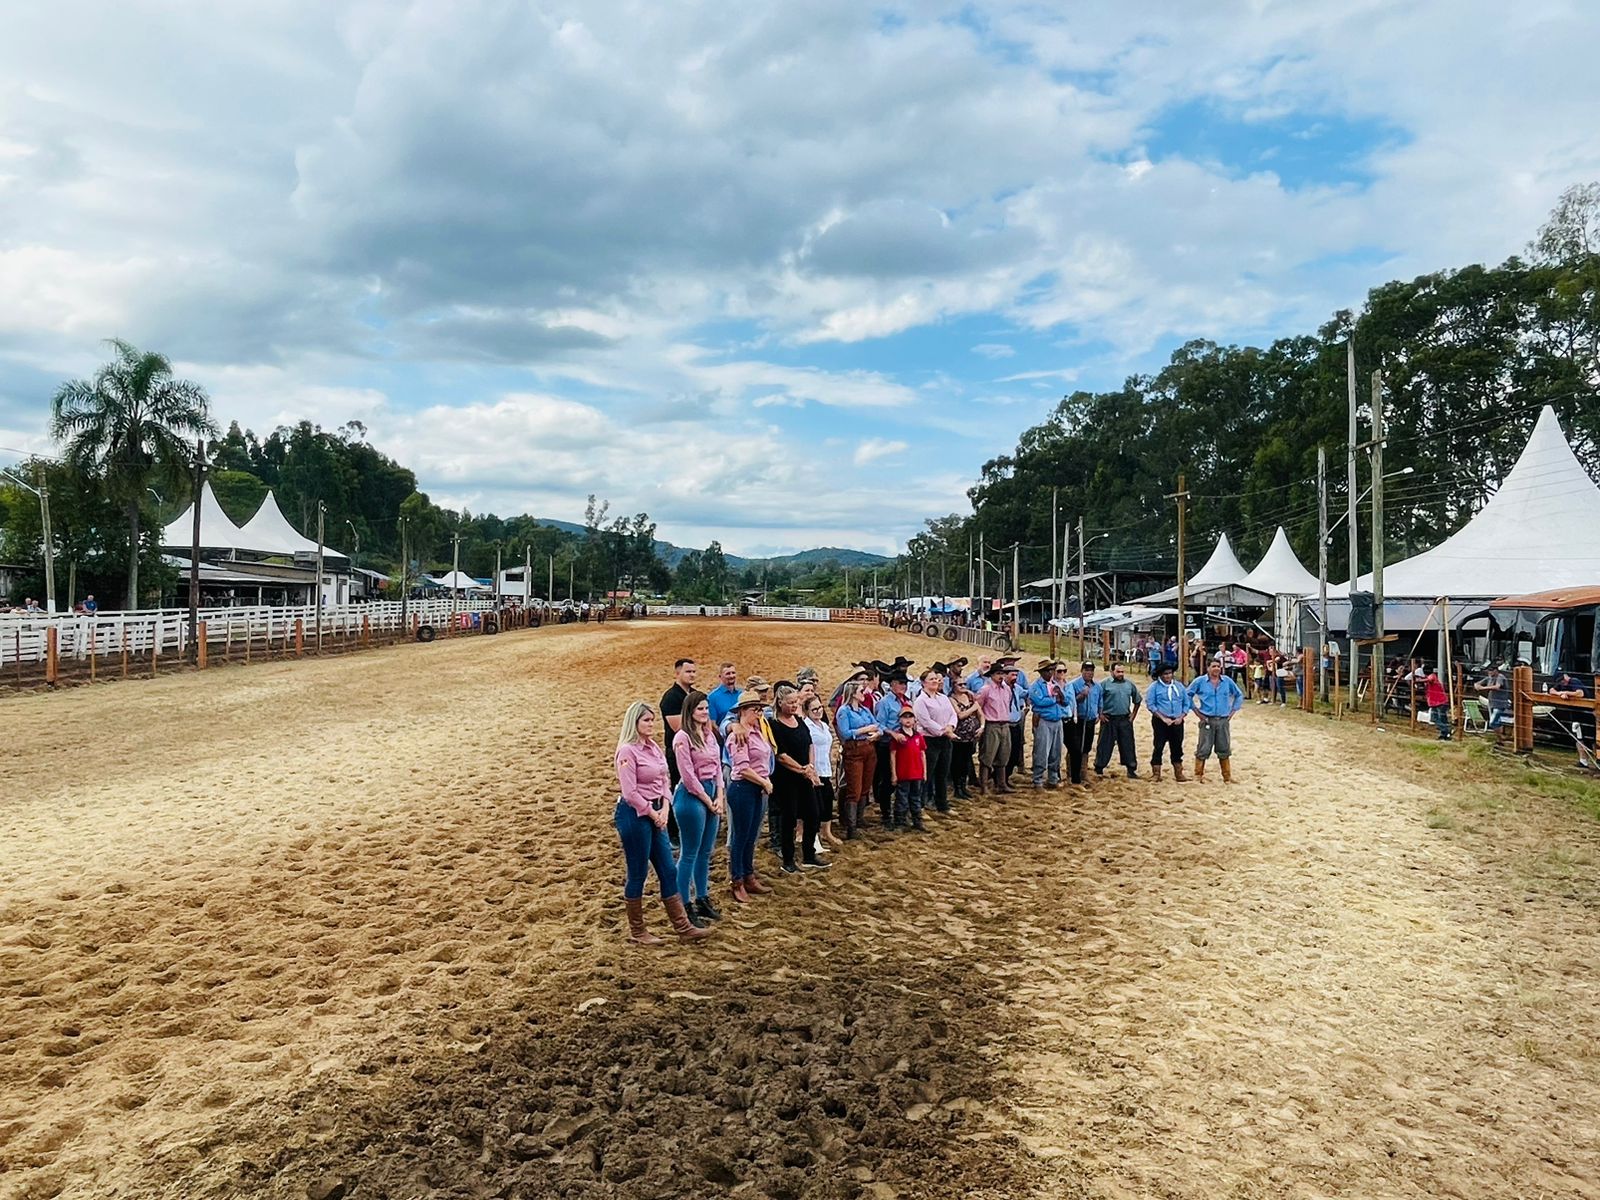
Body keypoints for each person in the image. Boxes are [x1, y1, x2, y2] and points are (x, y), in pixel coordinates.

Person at [614, 702, 709, 944]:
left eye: (652, 720)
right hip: (635, 814)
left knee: (667, 868)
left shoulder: (653, 747)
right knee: (638, 872)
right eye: (646, 720)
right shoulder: (627, 751)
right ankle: (638, 930)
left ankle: (682, 926)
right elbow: (629, 792)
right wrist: (652, 812)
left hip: (656, 809)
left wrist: (664, 807)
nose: (651, 724)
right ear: (634, 722)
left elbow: (665, 778)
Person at [671, 691, 725, 928]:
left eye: (706, 708)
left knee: (706, 851)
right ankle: (684, 903)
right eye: (700, 709)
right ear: (690, 711)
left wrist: (720, 797)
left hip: (711, 790)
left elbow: (718, 768)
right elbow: (687, 775)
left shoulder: (709, 735)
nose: (705, 712)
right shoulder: (683, 738)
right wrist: (706, 799)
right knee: (689, 852)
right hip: (692, 795)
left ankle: (702, 897)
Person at [770, 683, 828, 874]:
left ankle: (809, 854)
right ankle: (788, 859)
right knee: (789, 819)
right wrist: (801, 769)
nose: (794, 706)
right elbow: (781, 755)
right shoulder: (775, 725)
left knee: (813, 814)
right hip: (786, 778)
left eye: (796, 702)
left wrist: (810, 767)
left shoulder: (799, 720)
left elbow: (809, 743)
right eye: (790, 702)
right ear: (780, 703)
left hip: (804, 775)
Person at [726, 691, 775, 902]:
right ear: (743, 711)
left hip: (756, 787)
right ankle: (737, 879)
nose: (759, 713)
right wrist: (764, 781)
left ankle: (748, 874)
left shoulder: (756, 732)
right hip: (743, 787)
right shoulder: (738, 735)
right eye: (755, 710)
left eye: (760, 710)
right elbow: (742, 767)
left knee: (751, 835)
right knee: (741, 836)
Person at [834, 678, 880, 837]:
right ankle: (851, 826)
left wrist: (875, 733)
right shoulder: (844, 711)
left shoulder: (864, 709)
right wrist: (866, 729)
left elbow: (877, 726)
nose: (864, 693)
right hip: (854, 750)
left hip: (868, 748)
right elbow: (845, 733)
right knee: (855, 788)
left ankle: (858, 819)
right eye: (861, 691)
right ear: (853, 694)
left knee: (865, 786)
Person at [1189, 658, 1245, 781]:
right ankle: (1198, 774)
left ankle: (1227, 776)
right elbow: (1187, 695)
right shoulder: (1199, 681)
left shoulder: (1227, 682)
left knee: (1224, 747)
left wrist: (1233, 710)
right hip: (1207, 719)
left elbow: (1239, 694)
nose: (1216, 669)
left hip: (1223, 719)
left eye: (1218, 666)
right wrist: (1197, 712)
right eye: (1213, 666)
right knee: (1203, 747)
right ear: (1208, 668)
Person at [911, 667, 957, 812]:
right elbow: (925, 721)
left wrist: (950, 726)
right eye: (931, 679)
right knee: (927, 774)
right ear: (923, 682)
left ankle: (942, 803)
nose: (935, 681)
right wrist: (943, 731)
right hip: (929, 740)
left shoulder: (943, 698)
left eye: (936, 679)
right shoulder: (920, 701)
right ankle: (921, 804)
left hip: (945, 739)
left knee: (942, 773)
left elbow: (952, 714)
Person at [803, 694, 844, 851]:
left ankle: (826, 832)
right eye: (814, 709)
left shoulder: (824, 725)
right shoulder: (807, 727)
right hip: (815, 770)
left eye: (820, 707)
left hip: (826, 768)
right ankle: (814, 837)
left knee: (827, 802)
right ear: (807, 711)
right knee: (815, 807)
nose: (818, 711)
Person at [872, 671, 913, 823]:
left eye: (905, 683)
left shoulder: (906, 701)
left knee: (903, 777)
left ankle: (899, 811)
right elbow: (879, 724)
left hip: (903, 743)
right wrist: (893, 734)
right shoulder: (885, 702)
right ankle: (886, 813)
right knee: (888, 779)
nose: (903, 686)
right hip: (887, 743)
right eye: (900, 683)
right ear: (892, 684)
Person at [1095, 662, 1143, 779]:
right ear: (1112, 672)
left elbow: (1137, 700)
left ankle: (1131, 769)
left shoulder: (1129, 684)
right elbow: (1096, 699)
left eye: (1122, 671)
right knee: (1104, 744)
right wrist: (1100, 714)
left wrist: (1133, 715)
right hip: (1109, 719)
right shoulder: (1104, 684)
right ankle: (1099, 767)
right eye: (1118, 671)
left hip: (1124, 719)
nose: (1121, 674)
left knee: (1128, 744)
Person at [1145, 662, 1189, 781]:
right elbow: (1151, 704)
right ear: (1160, 675)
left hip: (1177, 721)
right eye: (1165, 674)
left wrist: (1181, 717)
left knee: (1177, 746)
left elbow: (1186, 703)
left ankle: (1179, 773)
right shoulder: (1154, 687)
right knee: (1158, 746)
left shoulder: (1179, 687)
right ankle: (1156, 773)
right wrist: (1163, 718)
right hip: (1161, 721)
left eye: (1170, 673)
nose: (1168, 676)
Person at [1028, 659, 1067, 789]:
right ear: (1041, 672)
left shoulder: (1056, 684)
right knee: (1042, 750)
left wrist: (1059, 696)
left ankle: (1053, 777)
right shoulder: (1035, 686)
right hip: (1044, 720)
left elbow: (1065, 701)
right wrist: (1055, 698)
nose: (1050, 673)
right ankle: (1037, 779)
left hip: (1057, 720)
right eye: (1047, 670)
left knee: (1056, 751)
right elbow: (1039, 701)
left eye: (1051, 670)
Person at [976, 662, 1014, 794]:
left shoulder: (1007, 689)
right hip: (991, 724)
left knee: (1003, 755)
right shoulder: (985, 689)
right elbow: (978, 707)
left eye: (1002, 673)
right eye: (998, 673)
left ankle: (1001, 783)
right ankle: (984, 785)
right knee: (987, 756)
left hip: (1005, 724)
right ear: (991, 675)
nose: (1001, 676)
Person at [889, 707, 928, 831]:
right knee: (901, 798)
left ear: (914, 720)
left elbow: (922, 754)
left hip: (916, 773)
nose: (908, 720)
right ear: (900, 720)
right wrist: (894, 773)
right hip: (903, 773)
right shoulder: (898, 738)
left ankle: (917, 821)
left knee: (916, 797)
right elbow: (893, 755)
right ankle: (899, 822)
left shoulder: (918, 736)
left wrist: (924, 772)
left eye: (910, 717)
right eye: (905, 717)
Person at [1065, 661, 1102, 787]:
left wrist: (1098, 714)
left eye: (1091, 670)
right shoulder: (1074, 685)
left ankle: (1083, 772)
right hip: (1077, 720)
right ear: (1082, 671)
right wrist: (1081, 695)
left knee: (1086, 746)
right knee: (1075, 747)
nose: (1089, 673)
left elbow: (1099, 701)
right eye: (1086, 670)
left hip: (1090, 720)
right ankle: (1071, 773)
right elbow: (1070, 702)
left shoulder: (1097, 686)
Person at [950, 679, 984, 800]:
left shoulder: (969, 697)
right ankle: (957, 788)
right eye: (960, 684)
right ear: (953, 686)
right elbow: (960, 715)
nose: (963, 686)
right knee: (957, 763)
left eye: (965, 684)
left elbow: (980, 713)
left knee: (966, 762)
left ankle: (963, 787)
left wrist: (982, 726)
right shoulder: (951, 699)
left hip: (971, 736)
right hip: (958, 736)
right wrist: (973, 708)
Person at [1474, 664, 1510, 729]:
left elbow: (1497, 687)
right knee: (1496, 722)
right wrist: (1477, 686)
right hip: (1492, 703)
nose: (1489, 672)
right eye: (1488, 671)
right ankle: (1501, 737)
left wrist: (1483, 688)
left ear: (1496, 670)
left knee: (1493, 723)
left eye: (1490, 671)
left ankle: (1502, 737)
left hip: (1500, 704)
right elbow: (1477, 683)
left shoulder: (1500, 677)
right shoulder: (1489, 677)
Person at [706, 661, 741, 726]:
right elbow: (713, 724)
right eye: (728, 674)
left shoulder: (742, 694)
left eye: (733, 673)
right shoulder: (712, 697)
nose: (731, 676)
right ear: (720, 676)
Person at [1421, 665, 1451, 740]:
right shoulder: (1428, 678)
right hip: (1435, 702)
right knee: (1437, 718)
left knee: (1440, 718)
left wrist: (1418, 680)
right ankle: (1445, 733)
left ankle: (1446, 731)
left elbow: (1430, 679)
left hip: (1440, 701)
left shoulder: (1432, 676)